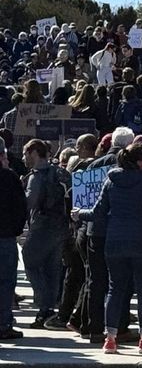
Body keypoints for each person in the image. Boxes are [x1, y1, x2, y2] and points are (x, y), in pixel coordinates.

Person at [83, 141, 142, 355]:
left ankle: (110, 339)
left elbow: (98, 211)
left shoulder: (111, 181)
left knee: (115, 288)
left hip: (114, 241)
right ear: (139, 162)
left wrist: (79, 214)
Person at [20, 139, 71, 330]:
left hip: (42, 226)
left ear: (34, 153)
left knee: (30, 261)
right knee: (52, 269)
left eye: (26, 154)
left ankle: (43, 307)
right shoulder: (60, 172)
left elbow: (30, 202)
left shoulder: (36, 176)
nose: (25, 158)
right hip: (61, 227)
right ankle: (50, 307)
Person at [0, 145, 27, 341]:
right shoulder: (9, 177)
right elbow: (20, 207)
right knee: (6, 282)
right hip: (5, 236)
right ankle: (3, 324)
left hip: (6, 234)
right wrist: (16, 230)